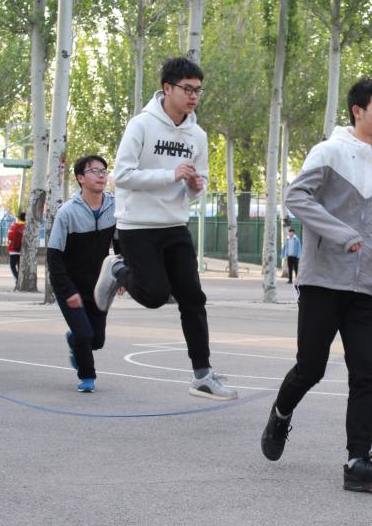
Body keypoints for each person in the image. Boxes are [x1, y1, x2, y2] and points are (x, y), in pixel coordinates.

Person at [260, 78, 372, 492]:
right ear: (358, 111)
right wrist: (341, 233)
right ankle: (280, 415)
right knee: (311, 368)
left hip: (366, 290)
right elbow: (297, 198)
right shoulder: (329, 152)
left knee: (367, 372)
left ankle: (357, 462)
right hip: (322, 281)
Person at [93, 57, 237, 401]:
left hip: (175, 224)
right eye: (187, 89)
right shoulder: (141, 125)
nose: (194, 96)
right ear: (168, 88)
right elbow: (122, 175)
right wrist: (170, 175)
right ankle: (116, 268)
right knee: (155, 295)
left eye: (198, 90)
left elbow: (196, 185)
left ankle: (202, 375)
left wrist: (195, 186)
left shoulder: (197, 135)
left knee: (193, 298)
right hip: (138, 225)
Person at [48, 156, 117, 393]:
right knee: (85, 334)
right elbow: (54, 257)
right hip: (70, 285)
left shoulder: (114, 207)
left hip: (99, 285)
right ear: (80, 178)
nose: (101, 175)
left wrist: (122, 276)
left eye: (104, 171)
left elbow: (121, 246)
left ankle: (74, 339)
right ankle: (87, 377)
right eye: (94, 171)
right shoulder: (67, 213)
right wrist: (67, 290)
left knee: (97, 340)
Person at [7, 211, 25, 281]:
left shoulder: (14, 226)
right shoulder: (26, 227)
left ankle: (17, 279)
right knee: (20, 266)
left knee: (12, 266)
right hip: (22, 250)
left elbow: (9, 237)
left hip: (13, 250)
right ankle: (20, 279)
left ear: (19, 218)